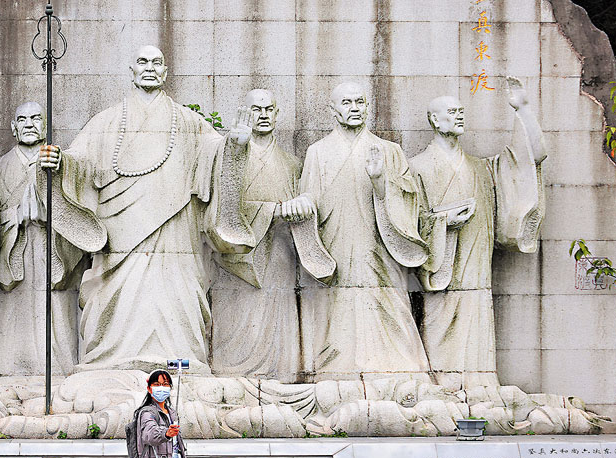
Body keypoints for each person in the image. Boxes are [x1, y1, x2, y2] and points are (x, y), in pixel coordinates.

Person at [39, 45, 253, 373]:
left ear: (165, 72)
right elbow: (80, 160)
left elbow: (215, 153)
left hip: (174, 233)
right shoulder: (106, 122)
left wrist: (234, 144)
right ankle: (113, 358)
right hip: (120, 236)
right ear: (132, 71)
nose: (149, 67)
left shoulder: (188, 121)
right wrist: (60, 163)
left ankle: (181, 360)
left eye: (156, 63)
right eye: (142, 62)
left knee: (175, 293)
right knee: (119, 298)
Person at [411, 77, 547, 390]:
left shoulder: (482, 168)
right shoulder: (417, 167)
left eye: (461, 111)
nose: (459, 116)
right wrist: (443, 221)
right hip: (441, 267)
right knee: (441, 318)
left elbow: (531, 158)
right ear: (434, 120)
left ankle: (480, 383)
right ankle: (442, 384)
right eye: (452, 112)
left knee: (475, 313)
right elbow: (409, 222)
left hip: (476, 266)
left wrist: (523, 110)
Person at [294, 81, 431, 380]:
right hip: (337, 243)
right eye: (347, 103)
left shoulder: (390, 151)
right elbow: (310, 198)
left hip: (378, 245)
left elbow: (411, 201)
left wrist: (381, 182)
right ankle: (338, 367)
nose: (354, 108)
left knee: (386, 300)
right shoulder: (318, 152)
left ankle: (397, 366)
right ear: (333, 110)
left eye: (360, 102)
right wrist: (302, 204)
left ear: (368, 107)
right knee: (338, 306)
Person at [0, 101, 103, 376]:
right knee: (13, 322)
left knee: (56, 319)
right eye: (22, 119)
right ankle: (11, 374)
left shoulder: (62, 165)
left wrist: (51, 213)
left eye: (36, 118)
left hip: (53, 255)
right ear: (13, 128)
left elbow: (82, 209)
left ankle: (60, 373)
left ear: (46, 126)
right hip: (14, 260)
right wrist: (16, 217)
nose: (29, 124)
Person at [209, 89, 303, 381]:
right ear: (245, 112)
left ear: (277, 114)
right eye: (256, 109)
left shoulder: (291, 163)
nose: (263, 115)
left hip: (279, 252)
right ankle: (231, 373)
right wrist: (272, 211)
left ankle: (281, 375)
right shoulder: (227, 154)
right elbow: (221, 203)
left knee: (277, 312)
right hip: (237, 254)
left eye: (269, 109)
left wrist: (299, 207)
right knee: (236, 315)